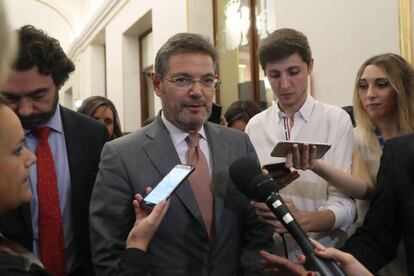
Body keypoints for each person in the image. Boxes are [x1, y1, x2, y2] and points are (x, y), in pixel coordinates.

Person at [89, 32, 274, 276]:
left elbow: (257, 230)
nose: (198, 91)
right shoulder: (121, 155)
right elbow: (108, 254)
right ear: (157, 84)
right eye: (183, 80)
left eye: (207, 80)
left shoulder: (238, 144)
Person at [284, 53, 413, 275]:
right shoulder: (355, 137)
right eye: (363, 86)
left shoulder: (405, 146)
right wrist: (315, 165)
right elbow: (368, 193)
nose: (370, 94)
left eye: (381, 85)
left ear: (402, 88)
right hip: (373, 239)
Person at [0, 25, 110, 276]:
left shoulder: (93, 135)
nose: (25, 110)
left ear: (59, 84)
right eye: (12, 98)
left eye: (38, 95)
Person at [245, 28, 356, 259]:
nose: (285, 84)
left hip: (326, 252)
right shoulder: (255, 126)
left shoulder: (335, 120)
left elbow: (346, 202)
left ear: (310, 66)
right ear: (264, 73)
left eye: (294, 72)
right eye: (275, 75)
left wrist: (304, 220)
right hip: (270, 255)